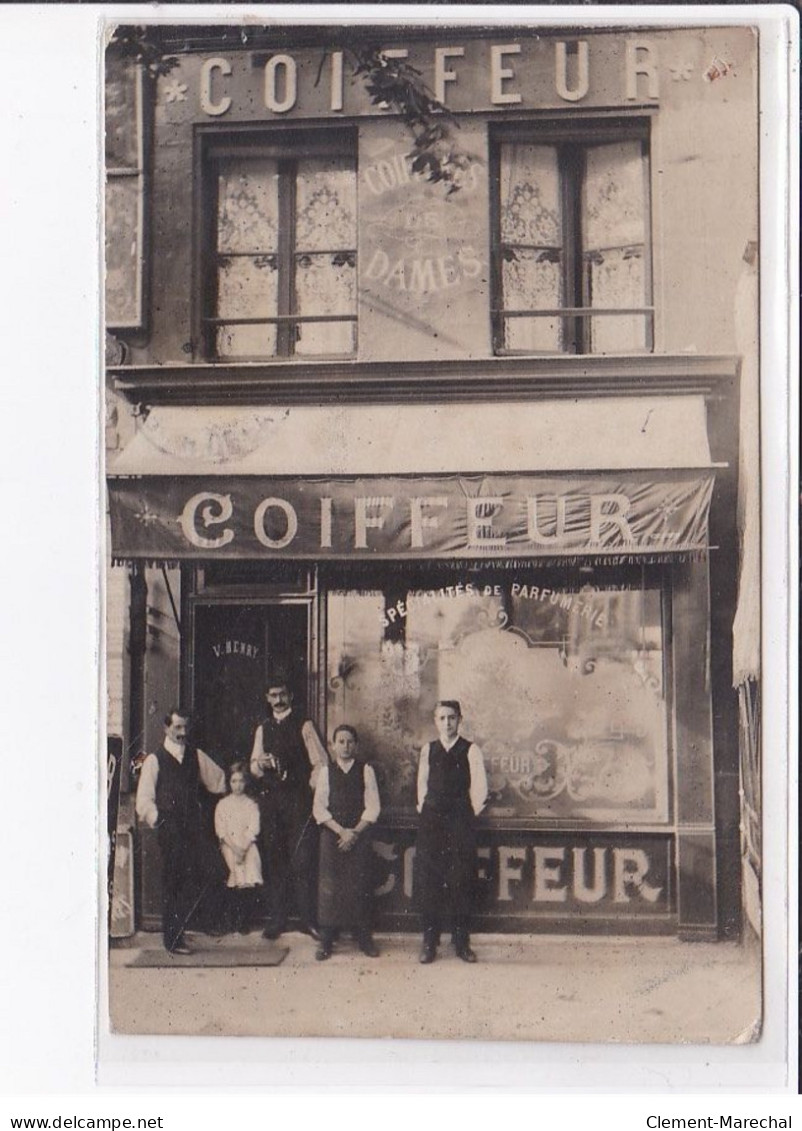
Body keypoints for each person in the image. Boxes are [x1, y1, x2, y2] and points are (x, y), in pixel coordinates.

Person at [135, 709, 226, 955]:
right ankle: (173, 940)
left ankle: (193, 928)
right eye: (177, 728)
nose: (182, 732)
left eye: (185, 727)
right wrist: (160, 820)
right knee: (173, 881)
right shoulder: (155, 760)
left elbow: (219, 781)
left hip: (193, 827)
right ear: (166, 729)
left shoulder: (196, 755)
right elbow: (143, 800)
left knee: (203, 874)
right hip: (170, 828)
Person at [249, 678, 327, 940]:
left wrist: (307, 789)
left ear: (290, 696)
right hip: (272, 804)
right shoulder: (263, 728)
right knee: (275, 860)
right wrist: (261, 764)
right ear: (267, 698)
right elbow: (253, 767)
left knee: (303, 860)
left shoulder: (304, 725)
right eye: (273, 695)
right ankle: (277, 919)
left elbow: (320, 764)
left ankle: (309, 920)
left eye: (282, 694)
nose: (278, 699)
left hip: (298, 802)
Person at [415, 700, 488, 965]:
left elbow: (480, 790)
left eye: (452, 718)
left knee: (461, 880)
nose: (447, 723)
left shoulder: (471, 750)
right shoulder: (428, 750)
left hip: (460, 822)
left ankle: (461, 942)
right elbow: (422, 787)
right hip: (432, 823)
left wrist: (464, 816)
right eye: (442, 718)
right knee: (429, 881)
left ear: (459, 720)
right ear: (435, 721)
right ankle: (429, 941)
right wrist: (428, 811)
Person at [312, 725, 381, 961]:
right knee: (329, 889)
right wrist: (341, 831)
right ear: (332, 746)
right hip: (332, 836)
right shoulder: (325, 772)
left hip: (359, 837)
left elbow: (373, 807)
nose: (345, 746)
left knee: (359, 886)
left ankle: (363, 937)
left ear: (356, 745)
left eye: (350, 741)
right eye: (340, 742)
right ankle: (327, 939)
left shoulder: (365, 771)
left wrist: (354, 833)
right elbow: (318, 808)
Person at [214, 762, 263, 934]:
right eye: (234, 781)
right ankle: (231, 918)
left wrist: (243, 848)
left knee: (248, 872)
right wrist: (235, 849)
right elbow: (221, 831)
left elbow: (253, 828)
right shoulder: (222, 804)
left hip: (247, 845)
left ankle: (244, 919)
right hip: (229, 845)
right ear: (229, 783)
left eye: (241, 781)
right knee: (233, 873)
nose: (237, 785)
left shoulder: (251, 804)